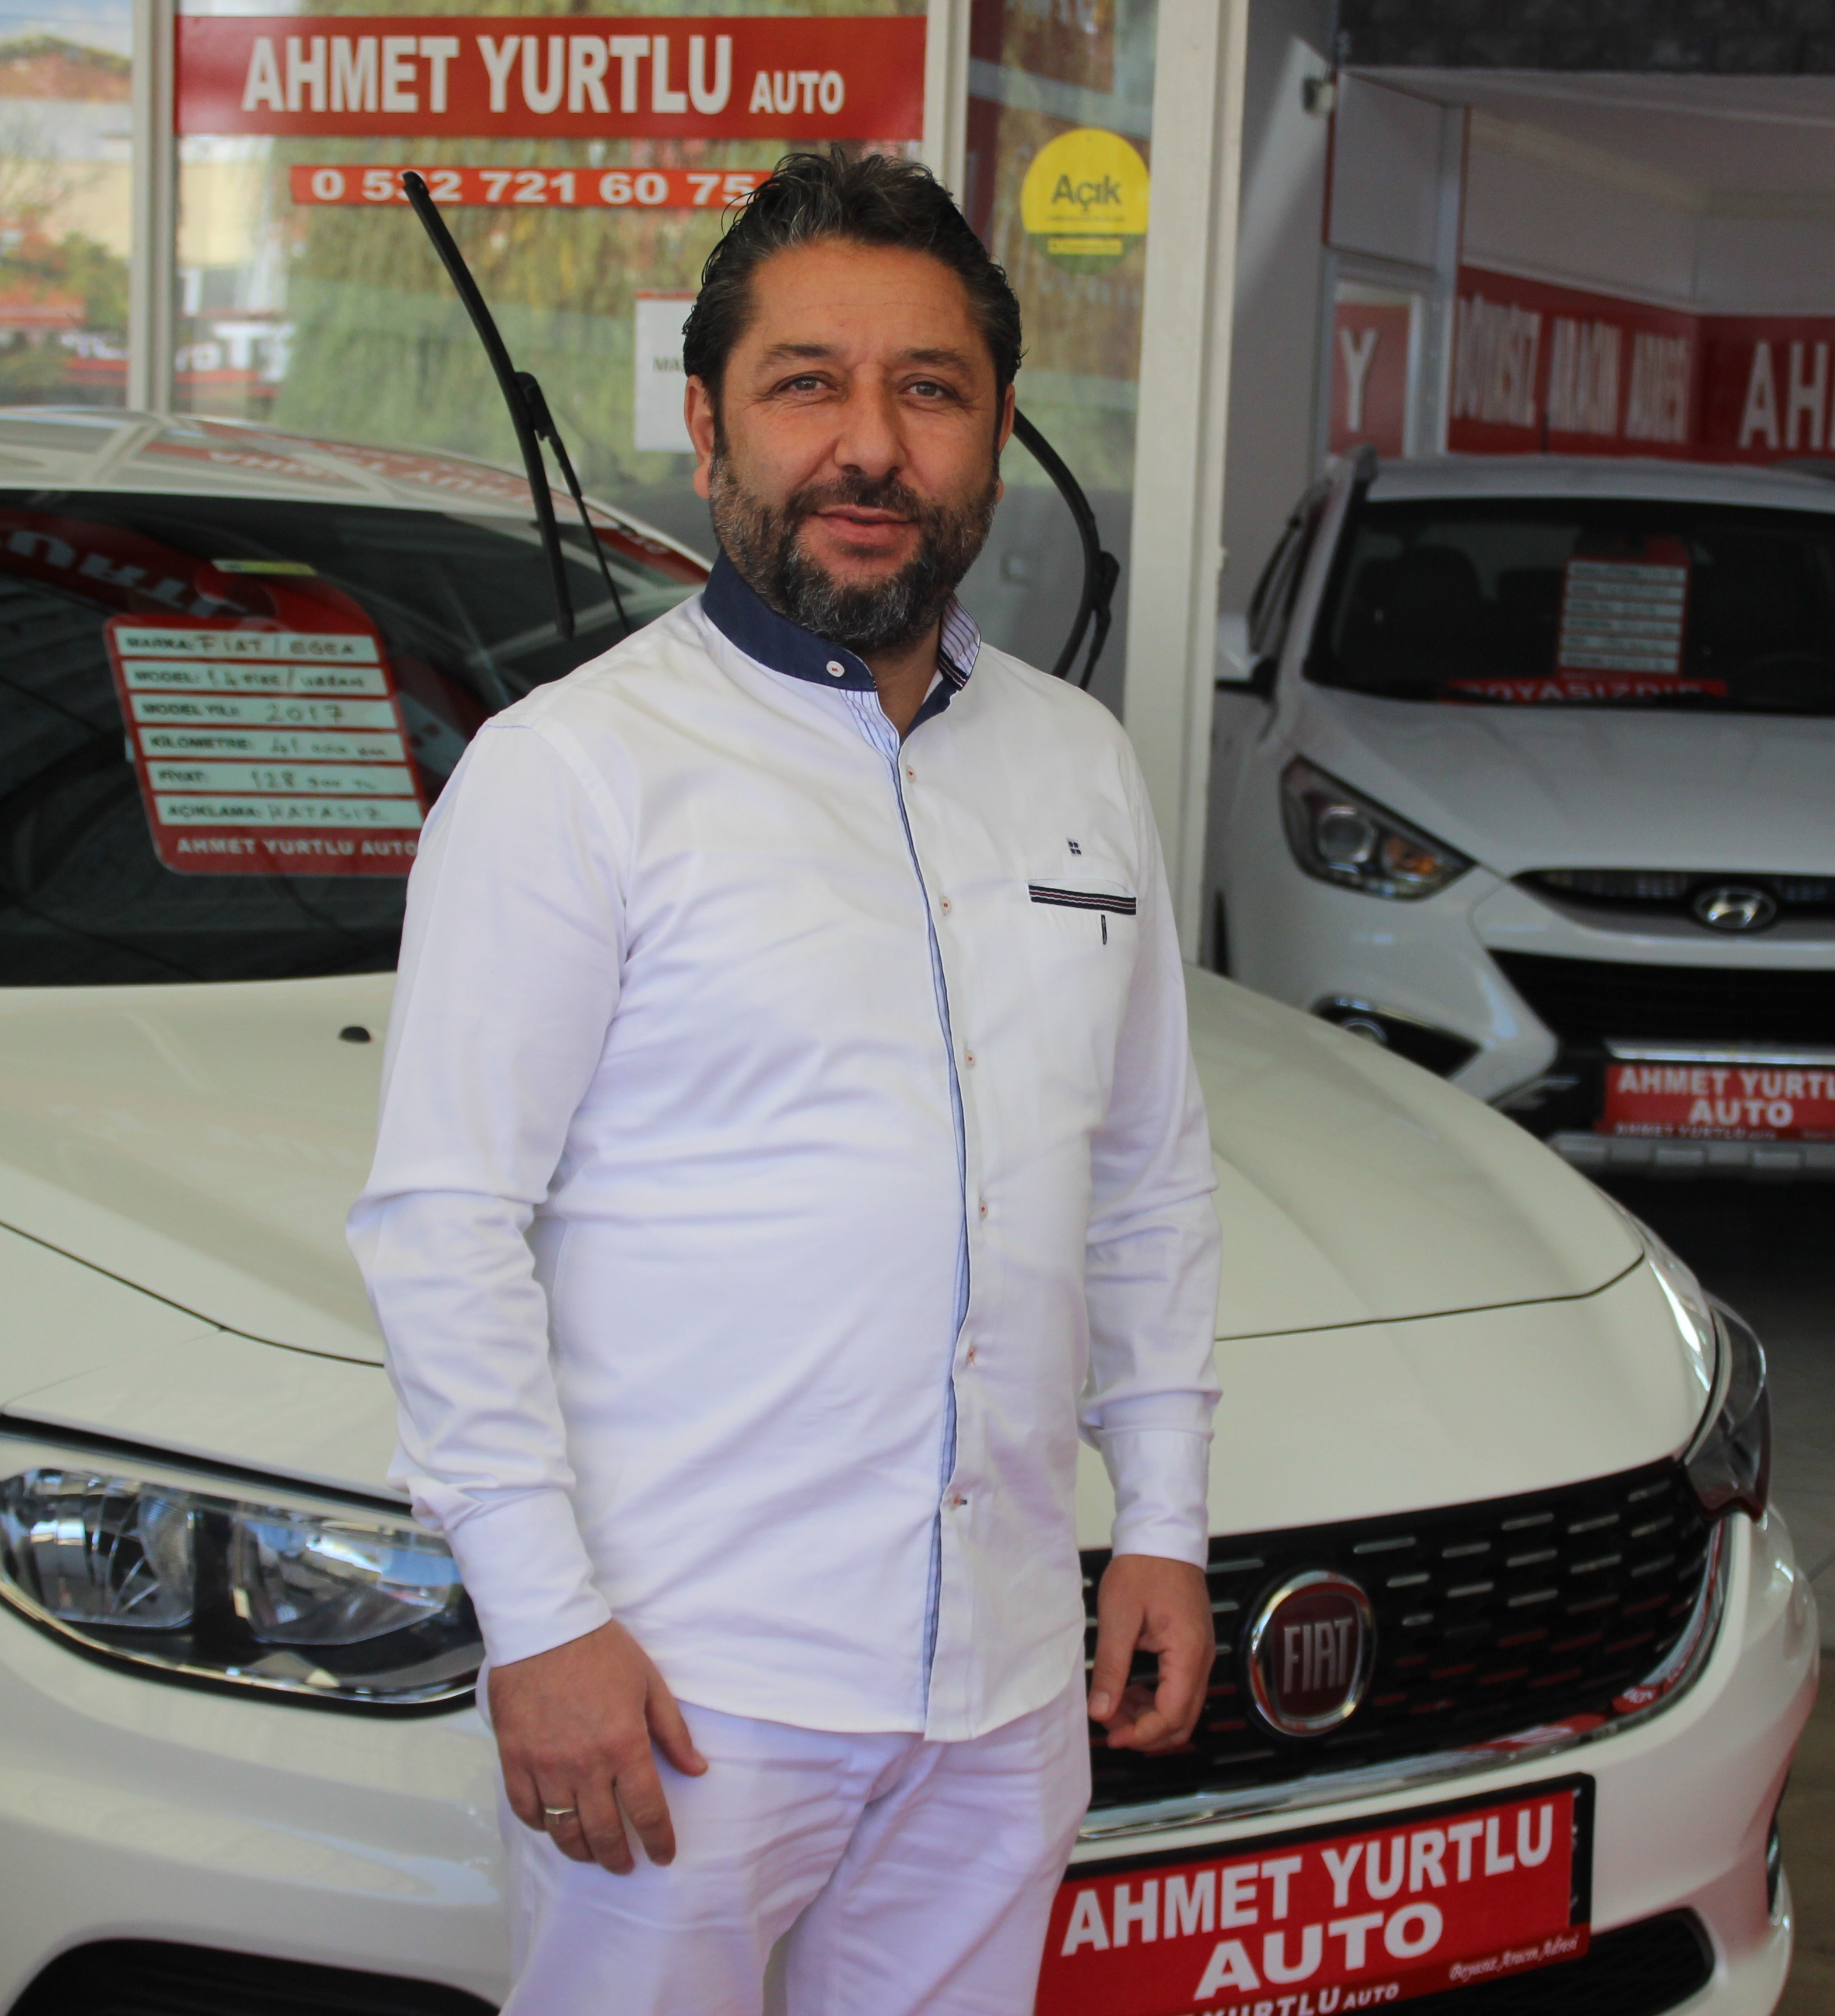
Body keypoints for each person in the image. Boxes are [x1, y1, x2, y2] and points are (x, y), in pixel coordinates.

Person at [347, 147, 1222, 2016]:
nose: (870, 448)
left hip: (1003, 1686)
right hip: (684, 1693)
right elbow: (443, 1225)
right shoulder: (575, 774)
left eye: (931, 391)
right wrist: (542, 1620)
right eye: (807, 385)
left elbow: (1143, 1176)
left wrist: (1161, 1514)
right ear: (708, 424)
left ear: (997, 435)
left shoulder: (1077, 764)